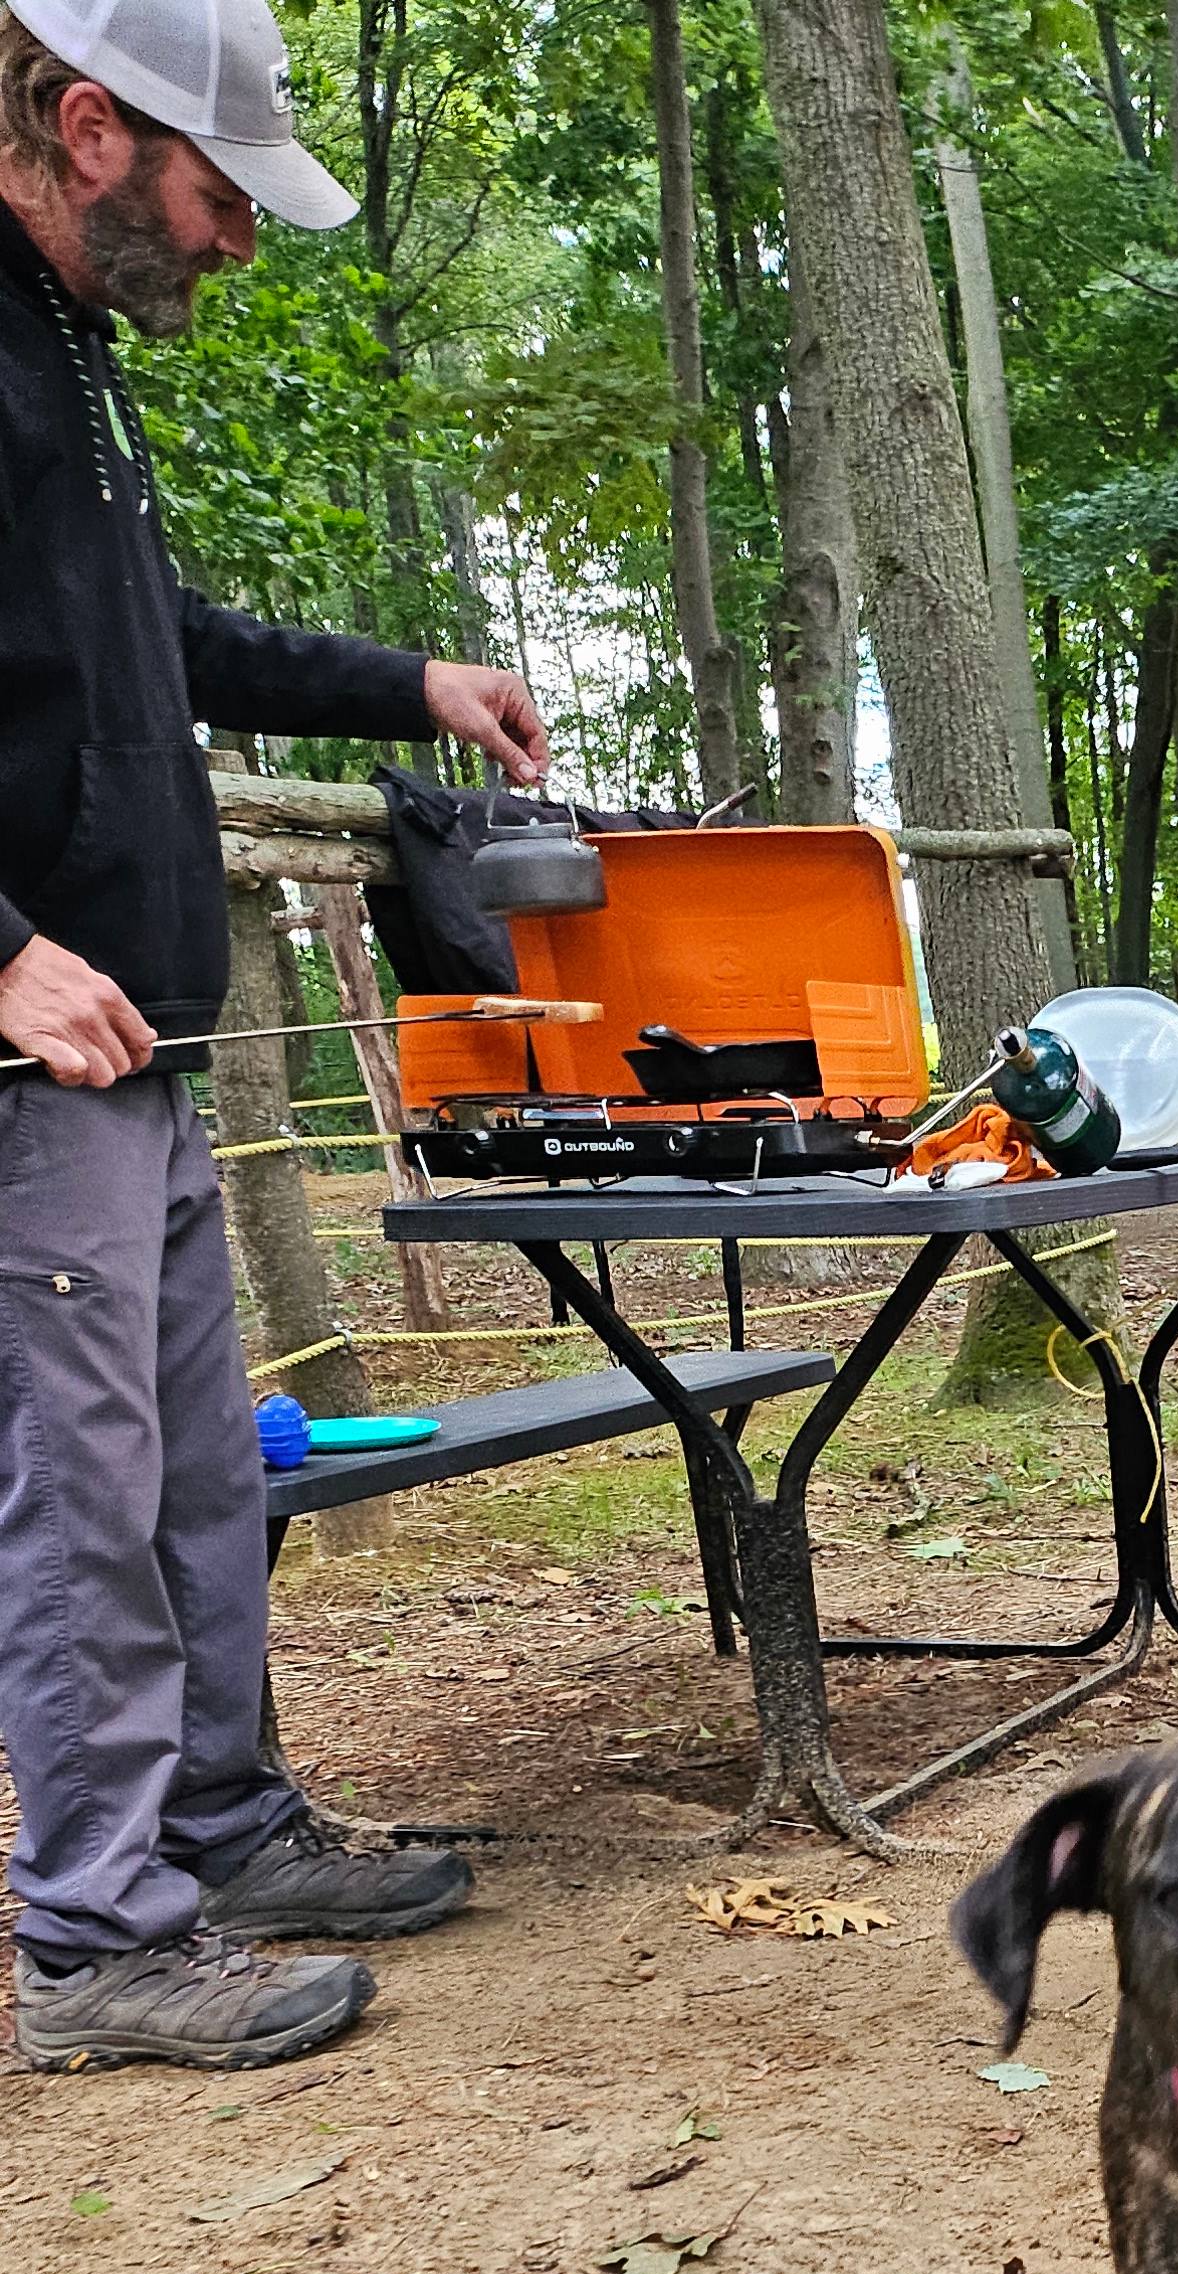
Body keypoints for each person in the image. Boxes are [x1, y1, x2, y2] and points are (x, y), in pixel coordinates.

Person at [0, 0, 552, 2071]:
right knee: (80, 1500)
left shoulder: (75, 359)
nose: (237, 240)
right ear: (85, 128)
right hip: (28, 1056)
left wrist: (423, 681)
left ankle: (217, 1831)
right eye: (221, 193)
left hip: (135, 1042)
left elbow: (181, 648)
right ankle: (94, 1939)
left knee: (194, 1480)